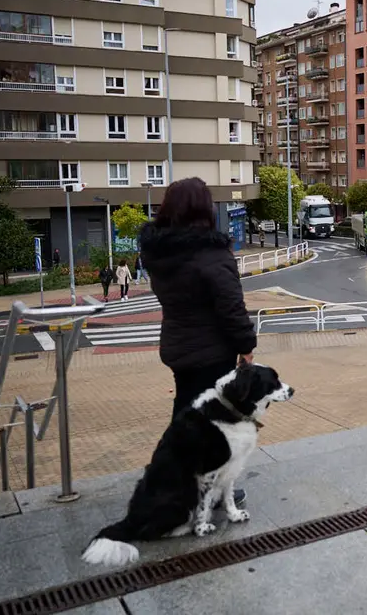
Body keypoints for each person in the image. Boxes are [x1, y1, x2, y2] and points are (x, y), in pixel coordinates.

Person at [139, 177, 256, 507]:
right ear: (203, 210)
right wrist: (246, 348)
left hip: (179, 349)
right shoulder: (211, 255)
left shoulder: (161, 255)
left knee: (188, 414)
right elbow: (232, 308)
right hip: (211, 353)